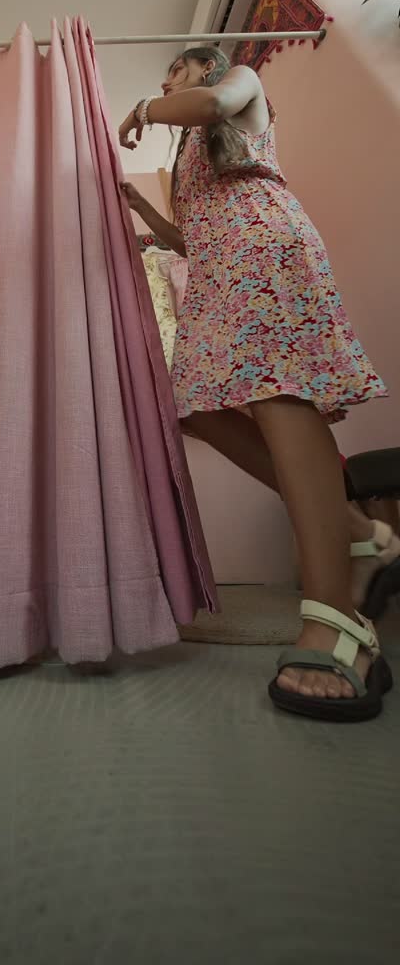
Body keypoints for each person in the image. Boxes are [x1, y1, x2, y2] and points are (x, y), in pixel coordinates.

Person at [118, 47, 398, 721]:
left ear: (206, 66)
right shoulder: (189, 154)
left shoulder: (240, 88)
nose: (165, 84)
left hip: (267, 252)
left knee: (278, 400)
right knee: (193, 411)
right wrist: (138, 211)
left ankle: (336, 620)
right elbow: (191, 238)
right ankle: (359, 532)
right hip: (221, 277)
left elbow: (209, 103)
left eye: (174, 74)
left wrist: (142, 109)